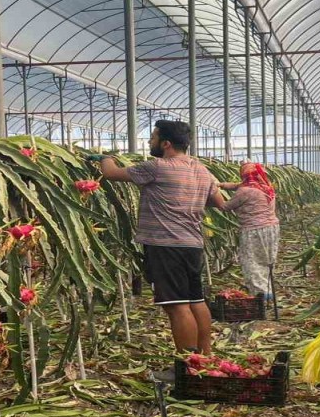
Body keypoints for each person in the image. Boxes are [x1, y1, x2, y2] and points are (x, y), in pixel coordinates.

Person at [92, 120, 225, 355]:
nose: (149, 141)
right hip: (192, 244)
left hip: (165, 245)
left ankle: (188, 364)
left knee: (177, 306)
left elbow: (110, 173)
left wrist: (104, 157)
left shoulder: (157, 167)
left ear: (166, 144)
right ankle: (206, 356)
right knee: (196, 299)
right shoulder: (202, 171)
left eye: (153, 137)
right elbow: (216, 202)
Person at [218, 162, 280, 299]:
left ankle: (259, 295)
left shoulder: (244, 192)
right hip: (271, 229)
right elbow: (238, 185)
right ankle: (268, 290)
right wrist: (222, 185)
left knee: (251, 261)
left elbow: (225, 207)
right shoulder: (266, 187)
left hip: (254, 231)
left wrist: (211, 195)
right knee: (266, 260)